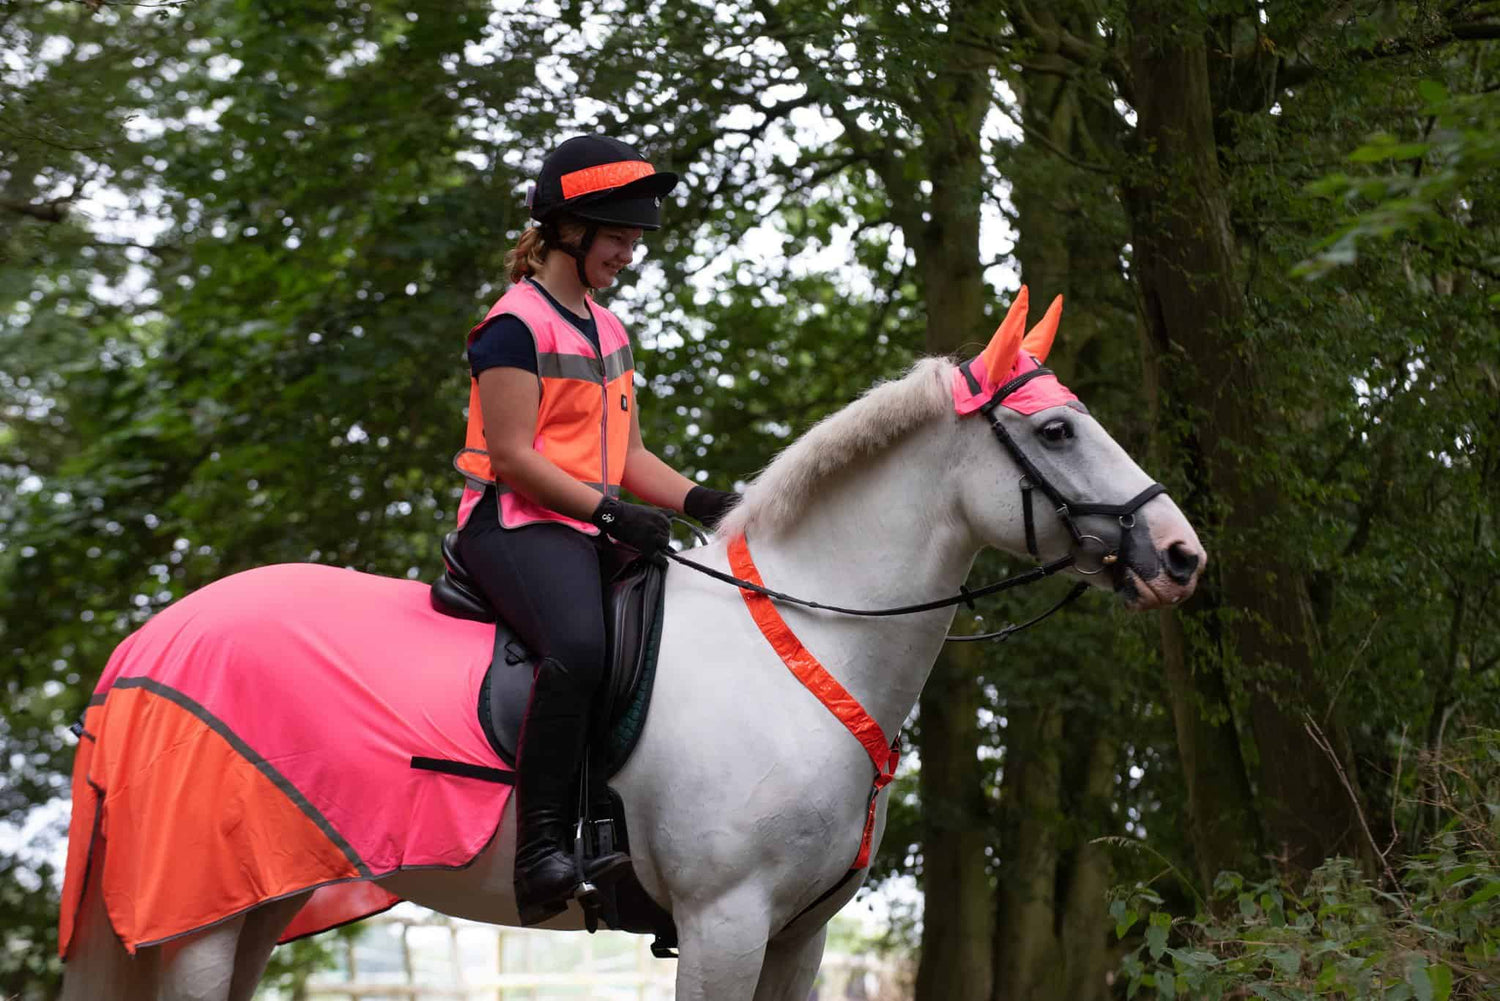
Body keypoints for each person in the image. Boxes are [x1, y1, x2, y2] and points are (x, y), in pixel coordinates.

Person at [452, 134, 739, 925]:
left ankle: (621, 827)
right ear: (567, 231)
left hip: (584, 523)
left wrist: (706, 501)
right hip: (513, 523)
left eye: (633, 239)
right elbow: (511, 456)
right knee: (580, 646)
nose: (628, 253)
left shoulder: (607, 332)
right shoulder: (511, 327)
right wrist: (609, 512)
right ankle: (541, 846)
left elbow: (629, 455)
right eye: (616, 237)